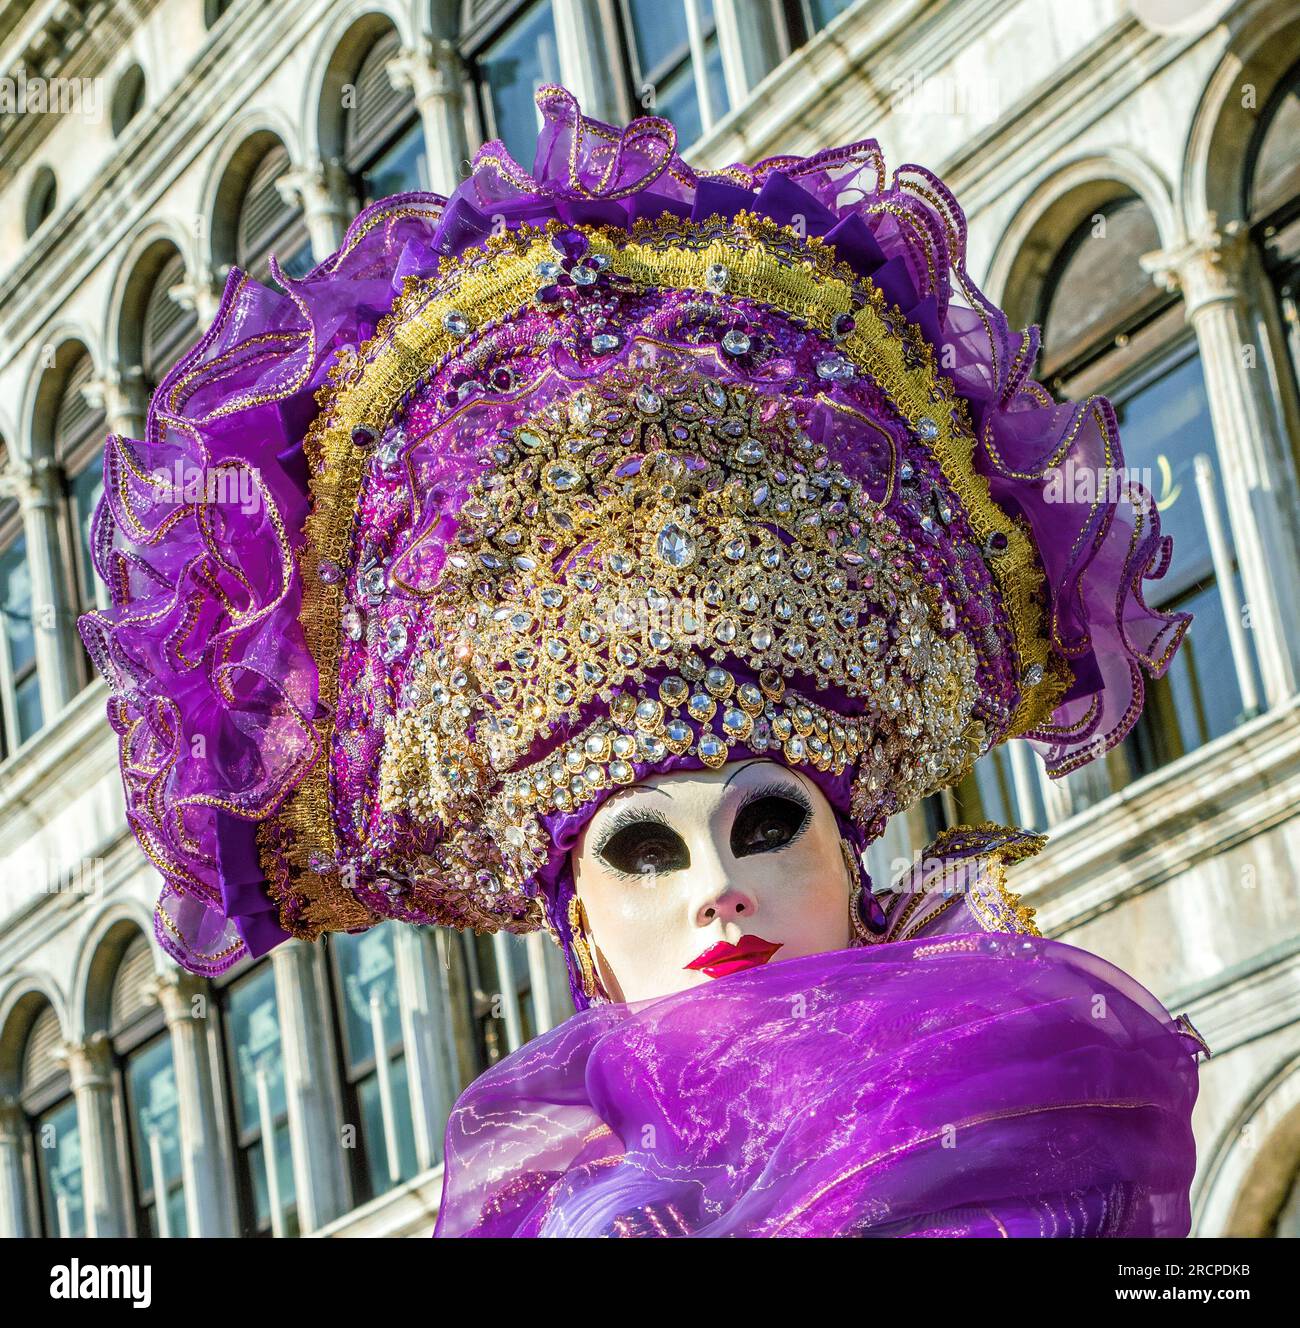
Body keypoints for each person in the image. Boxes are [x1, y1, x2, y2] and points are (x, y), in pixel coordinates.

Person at [79, 86, 1207, 1238]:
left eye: (769, 823)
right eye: (641, 849)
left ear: (853, 859)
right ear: (584, 935)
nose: (715, 889)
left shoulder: (1028, 1137)